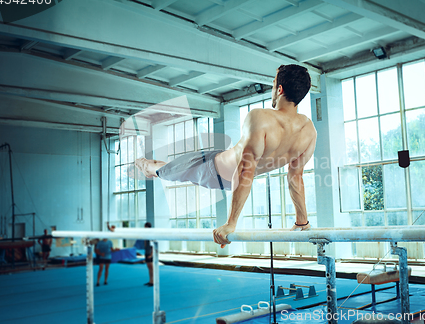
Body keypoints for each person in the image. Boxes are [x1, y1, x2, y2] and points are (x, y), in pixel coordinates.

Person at [135, 64, 316, 247]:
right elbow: (295, 178)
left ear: (279, 89)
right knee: (165, 169)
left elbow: (246, 170)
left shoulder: (261, 117)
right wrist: (303, 221)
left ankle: (147, 167)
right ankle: (145, 165)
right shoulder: (309, 131)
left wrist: (231, 223)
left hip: (214, 170)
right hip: (214, 167)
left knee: (167, 169)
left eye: (272, 85)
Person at [143, 222, 154, 287]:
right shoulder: (146, 234)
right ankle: (150, 280)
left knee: (151, 268)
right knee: (149, 267)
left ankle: (153, 281)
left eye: (145, 227)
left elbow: (152, 246)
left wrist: (151, 254)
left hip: (150, 252)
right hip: (147, 252)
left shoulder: (151, 235)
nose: (144, 228)